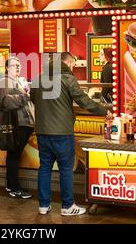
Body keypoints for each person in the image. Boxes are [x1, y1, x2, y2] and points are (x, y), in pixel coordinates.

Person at [30, 52, 109, 216]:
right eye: (73, 64)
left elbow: (33, 98)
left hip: (42, 131)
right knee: (66, 168)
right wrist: (104, 111)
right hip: (62, 131)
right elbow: (84, 101)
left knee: (44, 167)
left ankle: (43, 205)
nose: (73, 67)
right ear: (67, 63)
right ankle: (67, 206)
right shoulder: (67, 78)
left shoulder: (38, 78)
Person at [0, 56, 35, 199]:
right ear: (6, 68)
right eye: (13, 65)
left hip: (23, 123)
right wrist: (26, 97)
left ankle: (11, 185)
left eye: (19, 65)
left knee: (14, 155)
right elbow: (6, 102)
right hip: (17, 124)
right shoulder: (4, 81)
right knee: (14, 155)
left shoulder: (18, 81)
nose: (17, 67)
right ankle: (13, 187)